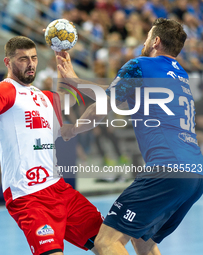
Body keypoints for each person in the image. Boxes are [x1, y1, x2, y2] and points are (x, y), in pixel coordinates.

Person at [0, 36, 104, 255]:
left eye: (34, 58)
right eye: (23, 59)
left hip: (59, 188)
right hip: (29, 196)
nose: (30, 64)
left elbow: (96, 107)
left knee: (108, 242)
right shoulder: (7, 90)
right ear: (8, 63)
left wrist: (74, 81)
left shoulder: (46, 97)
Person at [59, 18, 203, 255]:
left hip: (167, 170)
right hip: (195, 174)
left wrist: (72, 130)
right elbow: (116, 89)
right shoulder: (181, 76)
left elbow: (102, 108)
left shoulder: (140, 65)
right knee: (142, 240)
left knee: (106, 241)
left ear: (156, 41)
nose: (144, 41)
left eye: (147, 36)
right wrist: (75, 81)